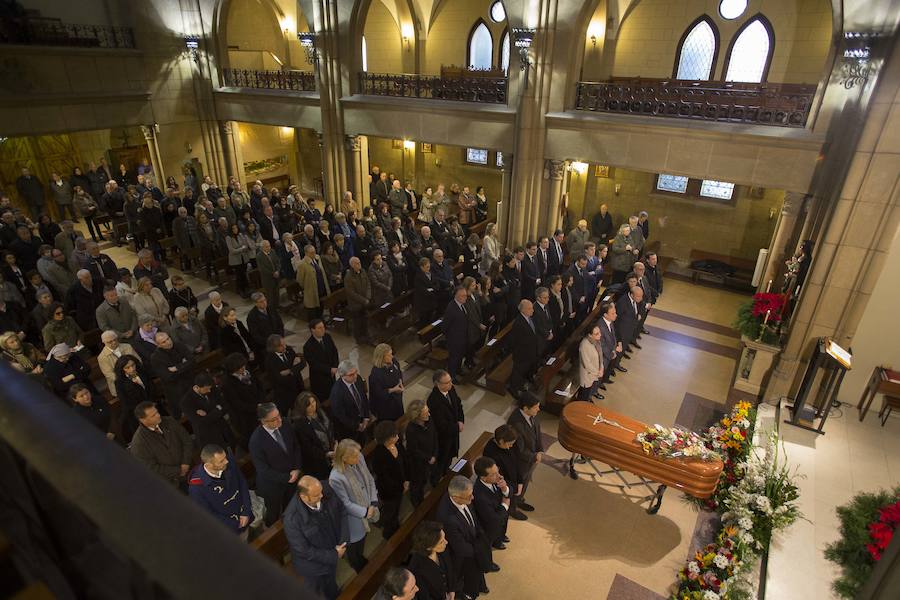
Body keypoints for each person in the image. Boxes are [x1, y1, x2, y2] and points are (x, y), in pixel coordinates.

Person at [283, 475, 349, 600]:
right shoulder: (292, 520)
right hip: (313, 568)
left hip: (332, 552)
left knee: (331, 584)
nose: (322, 496)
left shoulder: (323, 489)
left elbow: (342, 511)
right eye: (316, 495)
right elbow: (304, 550)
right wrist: (333, 555)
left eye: (321, 492)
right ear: (303, 497)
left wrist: (343, 541)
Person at [436, 476, 494, 599]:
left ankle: (481, 584)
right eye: (469, 496)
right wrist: (480, 550)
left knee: (479, 572)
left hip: (473, 543)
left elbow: (473, 517)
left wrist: (480, 536)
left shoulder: (462, 497)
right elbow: (461, 548)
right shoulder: (448, 518)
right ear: (456, 497)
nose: (472, 498)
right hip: (465, 557)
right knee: (471, 582)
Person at [249, 403, 303, 526]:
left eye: (279, 415)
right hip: (273, 486)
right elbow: (263, 470)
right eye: (274, 419)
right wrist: (287, 478)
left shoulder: (285, 424)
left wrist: (297, 468)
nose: (279, 420)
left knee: (293, 508)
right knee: (274, 517)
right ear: (263, 421)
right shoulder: (256, 441)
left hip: (292, 477)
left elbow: (296, 447)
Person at [329, 438, 378, 573]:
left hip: (367, 506)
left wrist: (373, 502)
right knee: (355, 545)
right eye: (354, 456)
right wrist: (365, 511)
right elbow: (345, 503)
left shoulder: (359, 457)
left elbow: (369, 479)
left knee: (363, 541)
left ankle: (360, 559)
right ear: (344, 458)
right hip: (352, 519)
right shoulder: (336, 477)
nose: (359, 457)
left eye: (358, 454)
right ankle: (357, 565)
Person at [188, 444, 253, 537]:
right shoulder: (196, 488)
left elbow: (242, 483)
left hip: (244, 515)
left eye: (225, 457)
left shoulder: (228, 462)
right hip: (228, 530)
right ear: (208, 465)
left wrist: (246, 511)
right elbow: (208, 515)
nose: (226, 461)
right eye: (221, 461)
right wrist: (236, 524)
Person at [129, 401, 194, 488]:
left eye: (157, 412)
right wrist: (179, 470)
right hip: (172, 483)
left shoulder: (170, 421)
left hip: (191, 470)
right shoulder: (139, 443)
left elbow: (187, 441)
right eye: (153, 415)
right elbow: (151, 468)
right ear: (142, 420)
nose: (158, 415)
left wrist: (186, 462)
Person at [369, 420, 408, 539]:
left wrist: (405, 480)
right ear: (387, 438)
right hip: (390, 491)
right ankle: (389, 532)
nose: (397, 436)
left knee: (396, 509)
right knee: (391, 510)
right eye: (394, 435)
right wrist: (401, 487)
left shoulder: (397, 444)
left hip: (400, 485)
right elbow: (386, 479)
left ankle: (395, 525)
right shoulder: (378, 455)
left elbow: (404, 461)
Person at [426, 369, 464, 486]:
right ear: (437, 384)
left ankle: (445, 472)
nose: (451, 384)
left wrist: (461, 420)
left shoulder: (451, 389)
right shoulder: (433, 400)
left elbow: (458, 405)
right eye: (447, 382)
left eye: (450, 381)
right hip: (442, 439)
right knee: (441, 460)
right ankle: (436, 483)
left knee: (449, 457)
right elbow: (440, 424)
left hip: (452, 434)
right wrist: (457, 427)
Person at [507, 393, 543, 514]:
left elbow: (538, 432)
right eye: (536, 407)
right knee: (517, 485)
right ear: (525, 408)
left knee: (525, 481)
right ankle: (512, 508)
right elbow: (518, 449)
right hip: (520, 462)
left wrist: (539, 450)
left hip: (531, 459)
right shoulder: (515, 423)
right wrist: (534, 456)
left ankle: (519, 501)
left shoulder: (532, 414)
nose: (539, 409)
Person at [482, 424, 526, 520]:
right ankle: (512, 510)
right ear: (501, 441)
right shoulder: (490, 452)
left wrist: (520, 481)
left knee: (519, 491)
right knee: (510, 496)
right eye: (509, 444)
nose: (511, 446)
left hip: (514, 476)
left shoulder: (512, 441)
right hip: (505, 482)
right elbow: (496, 476)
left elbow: (518, 460)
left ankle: (519, 502)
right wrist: (511, 488)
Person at [219, 352, 263, 445]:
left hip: (259, 408)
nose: (243, 368)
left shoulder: (247, 371)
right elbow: (237, 404)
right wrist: (256, 407)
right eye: (240, 367)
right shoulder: (227, 384)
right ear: (233, 369)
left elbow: (259, 385)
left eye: (244, 365)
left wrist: (261, 401)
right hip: (246, 419)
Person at [150, 331, 195, 419]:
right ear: (158, 345)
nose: (168, 342)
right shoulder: (155, 358)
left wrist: (176, 368)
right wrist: (184, 364)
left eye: (168, 338)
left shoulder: (179, 345)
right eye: (164, 342)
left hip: (191, 383)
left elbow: (192, 361)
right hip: (176, 391)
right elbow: (168, 376)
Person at [182, 372, 233, 450]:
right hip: (209, 437)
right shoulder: (186, 402)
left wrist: (210, 414)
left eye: (210, 388)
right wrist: (217, 409)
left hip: (224, 430)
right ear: (198, 387)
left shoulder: (212, 389)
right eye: (207, 389)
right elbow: (200, 422)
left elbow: (225, 406)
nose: (209, 391)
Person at [329, 359, 374, 444]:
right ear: (342, 376)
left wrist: (366, 416)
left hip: (362, 419)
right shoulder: (337, 393)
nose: (355, 376)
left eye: (356, 372)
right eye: (351, 375)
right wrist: (357, 426)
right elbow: (341, 416)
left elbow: (364, 398)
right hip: (349, 429)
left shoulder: (358, 379)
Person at [290, 392, 334, 479]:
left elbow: (332, 426)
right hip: (318, 462)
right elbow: (308, 448)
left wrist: (335, 442)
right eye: (309, 405)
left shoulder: (323, 410)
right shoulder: (299, 425)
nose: (313, 405)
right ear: (302, 407)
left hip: (332, 451)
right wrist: (326, 454)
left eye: (313, 401)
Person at [408, 521, 456, 600]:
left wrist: (451, 590)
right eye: (441, 542)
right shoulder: (416, 569)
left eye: (444, 537)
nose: (446, 542)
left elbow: (450, 569)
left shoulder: (442, 548)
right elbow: (425, 596)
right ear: (429, 547)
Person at [403, 399, 437, 507]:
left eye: (428, 411)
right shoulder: (411, 430)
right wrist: (428, 458)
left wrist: (435, 454)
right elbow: (414, 450)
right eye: (425, 413)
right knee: (417, 484)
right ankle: (417, 503)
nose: (429, 414)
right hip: (418, 463)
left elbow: (434, 435)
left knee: (425, 479)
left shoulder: (429, 419)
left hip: (431, 457)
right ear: (417, 416)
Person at [472, 456, 511, 550]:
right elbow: (493, 519)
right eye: (494, 474)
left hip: (501, 518)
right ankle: (495, 542)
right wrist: (505, 505)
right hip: (490, 527)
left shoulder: (496, 478)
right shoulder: (479, 495)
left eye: (497, 471)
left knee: (500, 530)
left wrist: (505, 488)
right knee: (487, 546)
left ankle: (499, 538)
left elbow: (510, 490)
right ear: (483, 478)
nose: (499, 476)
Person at [113, 355, 155, 440]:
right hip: (138, 413)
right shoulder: (120, 383)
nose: (132, 369)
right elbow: (126, 403)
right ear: (122, 369)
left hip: (152, 405)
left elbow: (151, 387)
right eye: (127, 368)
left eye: (133, 365)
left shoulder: (142, 372)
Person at [264, 333, 306, 414]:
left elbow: (303, 363)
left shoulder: (289, 350)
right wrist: (294, 369)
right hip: (285, 393)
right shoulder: (270, 361)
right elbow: (280, 379)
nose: (285, 347)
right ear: (274, 348)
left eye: (284, 344)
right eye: (281, 345)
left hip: (298, 386)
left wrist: (290, 371)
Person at [507, 299, 540, 396]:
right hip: (522, 355)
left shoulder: (529, 318)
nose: (532, 310)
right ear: (523, 310)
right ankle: (513, 389)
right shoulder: (519, 323)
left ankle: (520, 385)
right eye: (530, 309)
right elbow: (515, 341)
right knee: (518, 372)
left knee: (523, 372)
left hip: (530, 352)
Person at [303, 318, 340, 402]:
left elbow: (334, 351)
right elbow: (314, 365)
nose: (323, 329)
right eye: (320, 328)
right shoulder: (308, 347)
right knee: (324, 399)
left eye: (323, 327)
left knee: (333, 394)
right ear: (313, 330)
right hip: (320, 378)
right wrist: (329, 369)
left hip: (331, 374)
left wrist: (335, 366)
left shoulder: (327, 337)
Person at [369, 343, 404, 422]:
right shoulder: (376, 374)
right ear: (382, 357)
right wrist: (393, 390)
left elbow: (399, 372)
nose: (392, 356)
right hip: (386, 406)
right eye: (389, 355)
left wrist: (400, 382)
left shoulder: (394, 361)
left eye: (391, 354)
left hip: (397, 400)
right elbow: (378, 393)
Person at [97, 330, 139, 395]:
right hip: (121, 386)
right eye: (110, 342)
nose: (114, 343)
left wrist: (134, 373)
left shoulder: (127, 346)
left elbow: (138, 360)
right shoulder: (102, 357)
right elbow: (109, 374)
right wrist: (128, 378)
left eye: (115, 340)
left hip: (137, 376)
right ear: (104, 343)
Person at [344, 256, 372, 345]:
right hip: (355, 305)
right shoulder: (348, 277)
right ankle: (359, 339)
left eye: (359, 262)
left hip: (365, 302)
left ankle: (366, 337)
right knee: (358, 323)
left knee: (365, 321)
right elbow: (351, 293)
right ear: (352, 265)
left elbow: (368, 284)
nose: (359, 264)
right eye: (357, 263)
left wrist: (368, 296)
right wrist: (363, 300)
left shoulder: (363, 271)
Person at [614, 285, 643, 360]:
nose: (641, 298)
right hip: (622, 331)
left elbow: (637, 308)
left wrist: (638, 314)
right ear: (632, 295)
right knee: (619, 350)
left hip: (629, 329)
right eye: (639, 296)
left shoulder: (636, 300)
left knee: (623, 347)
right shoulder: (622, 302)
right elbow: (616, 319)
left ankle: (618, 362)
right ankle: (614, 365)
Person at [578, 324, 605, 401]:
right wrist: (598, 372)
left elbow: (600, 355)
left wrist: (601, 367)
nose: (600, 334)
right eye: (596, 334)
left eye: (599, 332)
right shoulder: (584, 345)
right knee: (583, 396)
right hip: (587, 376)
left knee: (588, 393)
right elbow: (587, 364)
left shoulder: (596, 341)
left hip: (595, 372)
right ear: (590, 335)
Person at [414, 257, 438, 327]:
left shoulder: (431, 273)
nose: (429, 268)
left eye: (429, 266)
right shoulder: (418, 277)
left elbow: (437, 284)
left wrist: (432, 289)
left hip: (432, 301)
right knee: (425, 321)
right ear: (421, 267)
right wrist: (433, 289)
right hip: (424, 304)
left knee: (432, 319)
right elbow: (423, 290)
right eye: (427, 267)